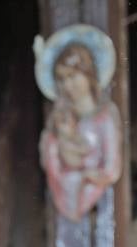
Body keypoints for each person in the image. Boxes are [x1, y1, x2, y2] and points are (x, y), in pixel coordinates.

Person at [38, 41, 122, 222]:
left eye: (73, 76)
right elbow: (51, 159)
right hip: (66, 191)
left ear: (88, 74)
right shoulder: (61, 118)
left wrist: (87, 176)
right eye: (62, 79)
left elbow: (111, 167)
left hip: (91, 191)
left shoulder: (104, 117)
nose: (68, 84)